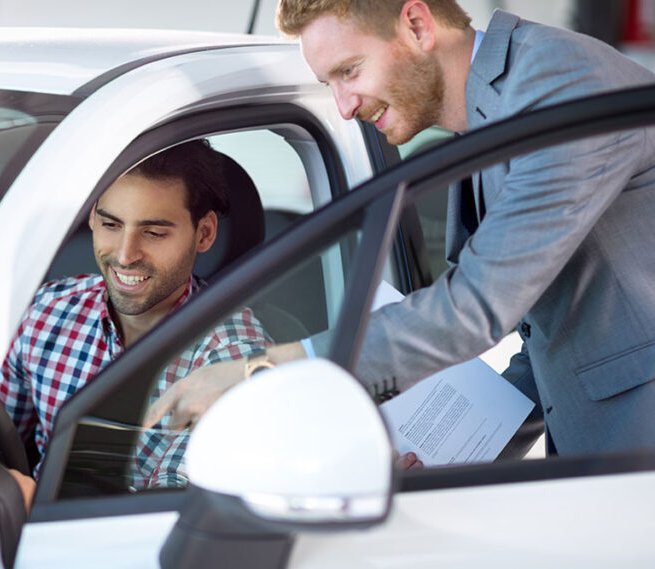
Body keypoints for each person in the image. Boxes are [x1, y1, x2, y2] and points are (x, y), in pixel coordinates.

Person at [146, 0, 655, 458]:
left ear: (416, 25)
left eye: (350, 71)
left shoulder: (558, 84)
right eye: (330, 84)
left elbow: (477, 307)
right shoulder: (492, 106)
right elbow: (554, 328)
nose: (344, 105)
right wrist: (464, 458)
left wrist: (262, 372)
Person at [0, 139, 270, 503]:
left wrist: (29, 512)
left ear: (204, 233)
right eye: (110, 224)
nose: (125, 256)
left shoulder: (233, 359)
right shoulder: (47, 310)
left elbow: (170, 518)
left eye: (153, 233)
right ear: (92, 216)